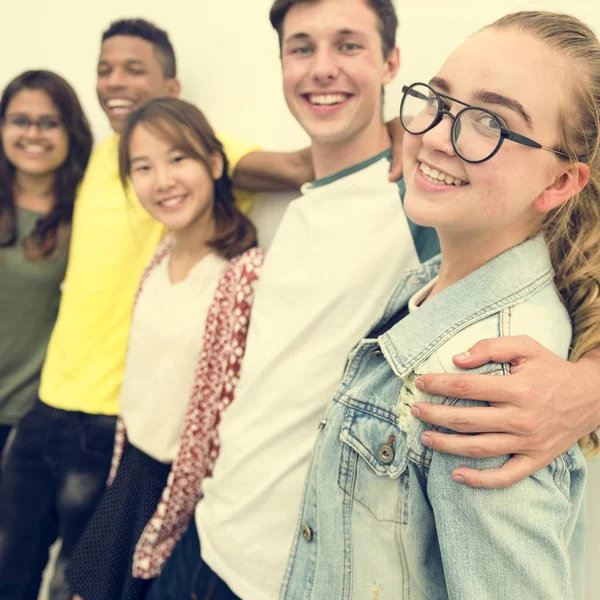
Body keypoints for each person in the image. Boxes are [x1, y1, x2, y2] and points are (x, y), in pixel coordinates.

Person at [148, 2, 600, 600]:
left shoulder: (420, 209)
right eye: (301, 48)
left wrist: (589, 383)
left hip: (283, 572)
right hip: (213, 534)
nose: (322, 68)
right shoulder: (351, 213)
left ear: (390, 63)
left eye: (349, 45)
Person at [281, 10, 598, 600]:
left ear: (559, 184)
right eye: (440, 100)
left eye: (489, 122)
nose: (434, 134)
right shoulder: (429, 281)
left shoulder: (487, 384)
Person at [0, 17, 320, 600]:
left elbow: (302, 167)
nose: (115, 81)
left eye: (134, 68)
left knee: (81, 581)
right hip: (61, 409)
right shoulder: (101, 163)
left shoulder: (209, 186)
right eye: (104, 69)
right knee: (20, 566)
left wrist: (403, 131)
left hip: (122, 444)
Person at [66, 97, 264, 600]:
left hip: (183, 492)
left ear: (215, 164)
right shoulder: (159, 257)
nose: (163, 180)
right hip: (130, 468)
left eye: (179, 159)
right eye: (143, 167)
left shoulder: (244, 274)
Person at [0, 70, 92, 454]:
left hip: (27, 419)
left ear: (71, 133)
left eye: (49, 123)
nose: (33, 135)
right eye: (20, 121)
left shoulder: (87, 214)